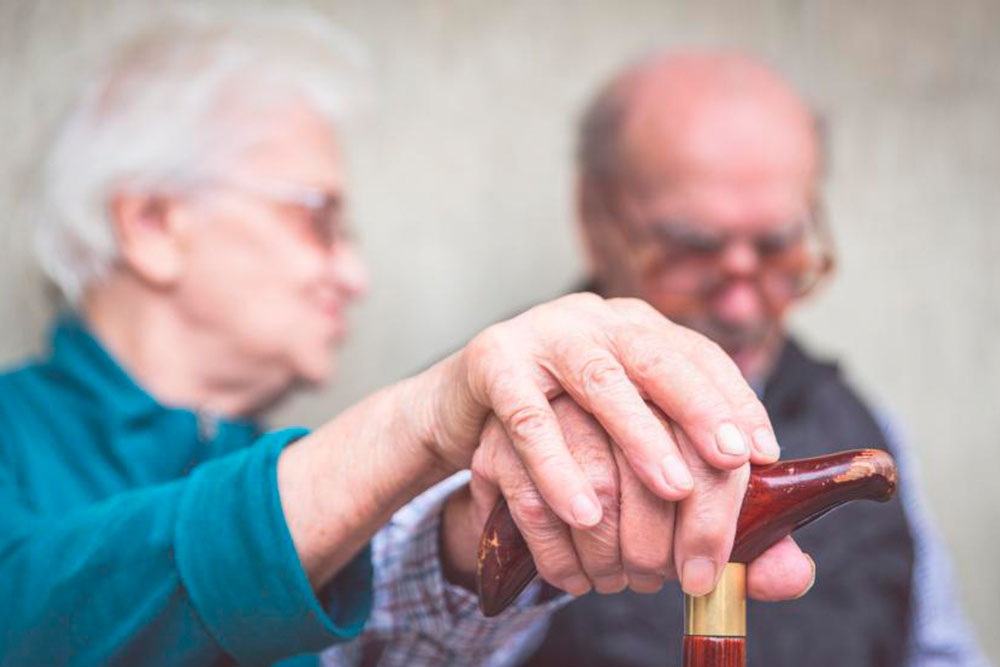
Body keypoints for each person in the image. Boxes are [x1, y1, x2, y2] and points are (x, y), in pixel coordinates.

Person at [0, 11, 815, 667]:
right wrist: (418, 419)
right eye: (316, 220)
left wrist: (504, 520)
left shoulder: (288, 466)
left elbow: (384, 632)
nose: (353, 273)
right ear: (150, 224)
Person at [522, 52, 989, 666]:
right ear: (595, 217)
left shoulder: (865, 428)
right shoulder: (499, 429)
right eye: (692, 249)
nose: (742, 308)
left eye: (777, 248)